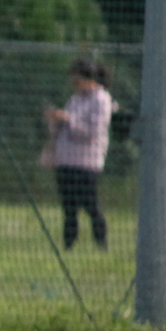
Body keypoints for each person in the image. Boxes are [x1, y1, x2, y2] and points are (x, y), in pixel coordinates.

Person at [45, 55, 113, 250]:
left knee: (90, 205)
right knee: (69, 207)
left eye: (76, 79)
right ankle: (69, 244)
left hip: (87, 162)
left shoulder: (101, 99)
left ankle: (101, 243)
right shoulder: (74, 99)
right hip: (66, 159)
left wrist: (67, 119)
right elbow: (62, 128)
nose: (73, 83)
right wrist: (54, 120)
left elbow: (93, 131)